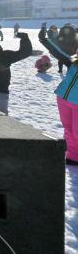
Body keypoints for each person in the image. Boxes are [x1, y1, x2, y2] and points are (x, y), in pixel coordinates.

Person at [38, 22, 78, 165]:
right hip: (63, 99)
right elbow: (57, 52)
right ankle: (72, 156)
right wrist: (43, 39)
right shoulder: (73, 61)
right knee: (68, 129)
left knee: (77, 132)